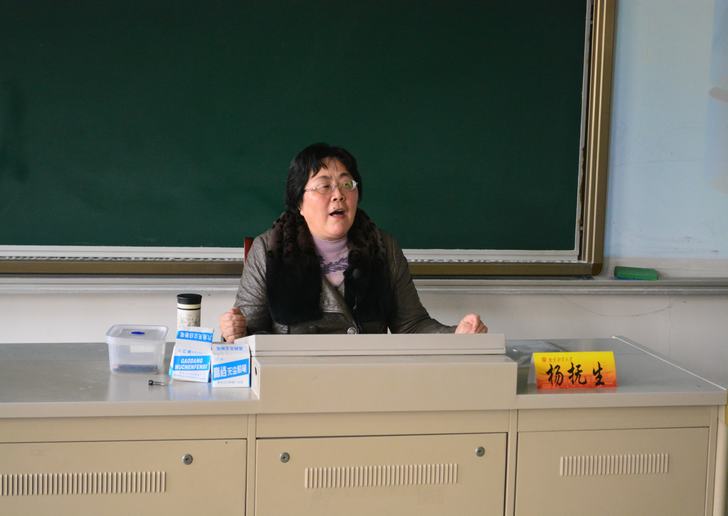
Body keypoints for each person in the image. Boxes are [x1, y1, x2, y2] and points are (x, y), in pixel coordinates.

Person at [220, 143, 487, 341]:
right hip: (293, 381)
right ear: (299, 202)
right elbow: (248, 333)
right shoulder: (268, 250)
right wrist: (233, 331)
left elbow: (411, 325)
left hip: (367, 379)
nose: (338, 195)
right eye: (324, 186)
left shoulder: (383, 247)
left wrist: (457, 334)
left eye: (347, 185)